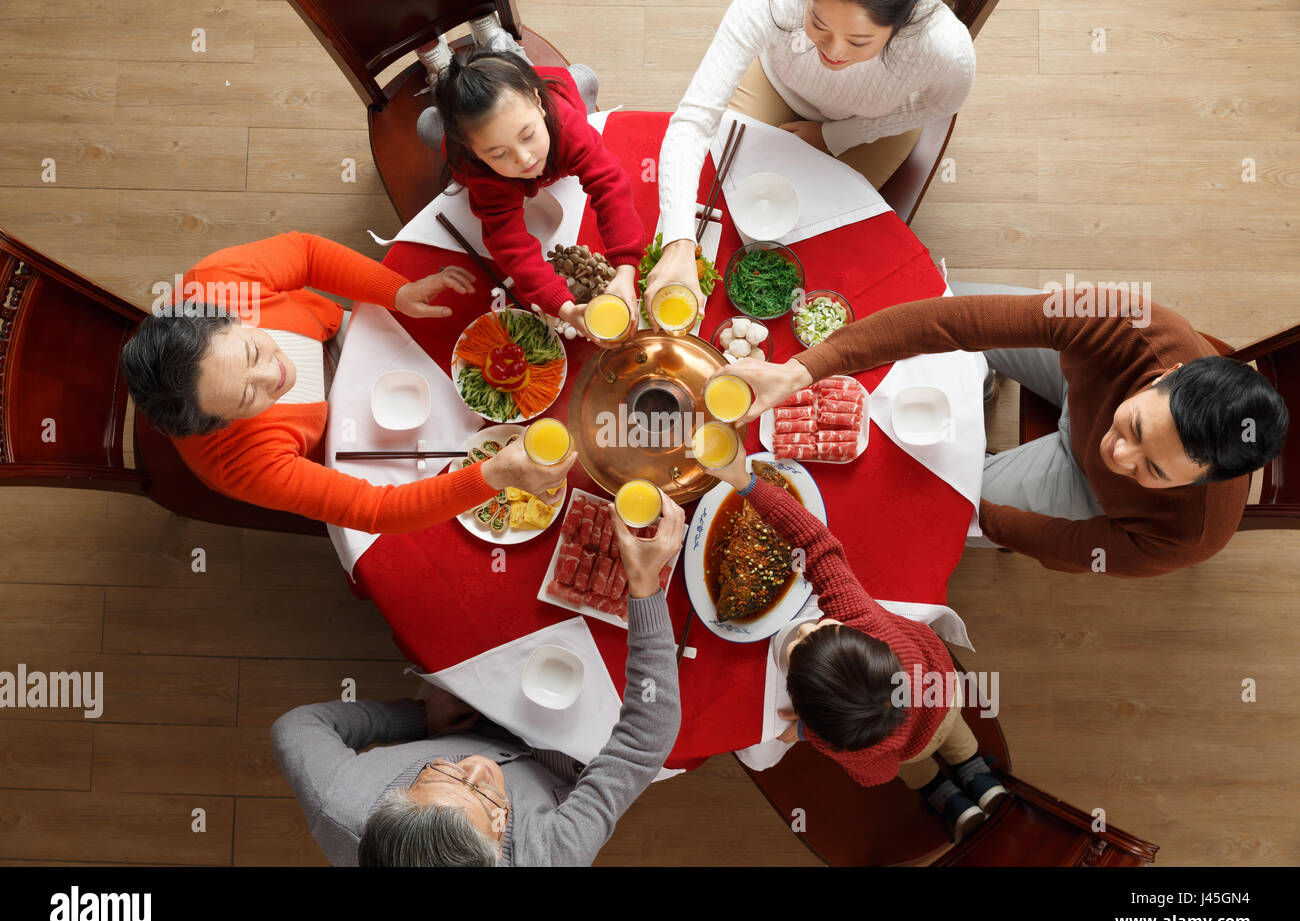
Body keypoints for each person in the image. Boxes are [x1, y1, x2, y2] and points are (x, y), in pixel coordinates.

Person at [714, 292, 1289, 577]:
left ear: (1197, 481)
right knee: (948, 299)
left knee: (935, 505)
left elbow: (1071, 548)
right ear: (1168, 375)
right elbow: (958, 321)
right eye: (1137, 426)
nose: (1120, 453)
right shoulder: (1130, 319)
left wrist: (975, 513)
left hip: (1085, 491)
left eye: (1154, 470)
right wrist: (799, 372)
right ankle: (981, 384)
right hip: (1078, 385)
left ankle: (976, 446)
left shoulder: (1190, 536)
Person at [270, 497, 686, 866]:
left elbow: (297, 728)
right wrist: (646, 589)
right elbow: (642, 743)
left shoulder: (340, 801)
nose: (477, 768)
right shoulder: (551, 857)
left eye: (434, 776)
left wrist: (417, 719)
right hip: (568, 760)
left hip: (459, 714)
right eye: (489, 802)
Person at [120, 231, 576, 533]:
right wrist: (492, 476)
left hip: (334, 332)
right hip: (335, 436)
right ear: (221, 425)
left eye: (252, 352)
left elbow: (308, 254)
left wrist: (395, 291)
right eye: (246, 396)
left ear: (227, 316)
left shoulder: (216, 283)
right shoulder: (238, 463)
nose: (273, 375)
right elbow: (376, 510)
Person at [703, 455, 1007, 841]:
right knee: (955, 736)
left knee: (913, 768)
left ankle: (943, 794)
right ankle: (978, 774)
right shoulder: (864, 619)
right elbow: (816, 543)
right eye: (819, 630)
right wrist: (746, 483)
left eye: (801, 642)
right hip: (945, 701)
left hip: (906, 748)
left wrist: (802, 735)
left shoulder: (840, 740)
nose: (806, 628)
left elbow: (880, 773)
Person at [644, 0, 974, 313]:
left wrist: (839, 136)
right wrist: (678, 242)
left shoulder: (943, 46)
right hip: (779, 85)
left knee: (817, 245)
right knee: (730, 206)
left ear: (900, 25)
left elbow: (940, 105)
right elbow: (693, 122)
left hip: (870, 122)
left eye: (858, 42)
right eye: (818, 24)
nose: (833, 52)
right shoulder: (772, 6)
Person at [433, 50, 644, 343]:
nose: (524, 159)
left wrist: (625, 269)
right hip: (469, 135)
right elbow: (511, 246)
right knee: (429, 128)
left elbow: (610, 185)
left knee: (583, 77)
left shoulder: (566, 124)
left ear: (538, 103)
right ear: (474, 151)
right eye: (498, 153)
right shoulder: (477, 170)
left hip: (553, 86)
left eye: (528, 135)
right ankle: (443, 88)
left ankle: (498, 50)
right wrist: (564, 307)